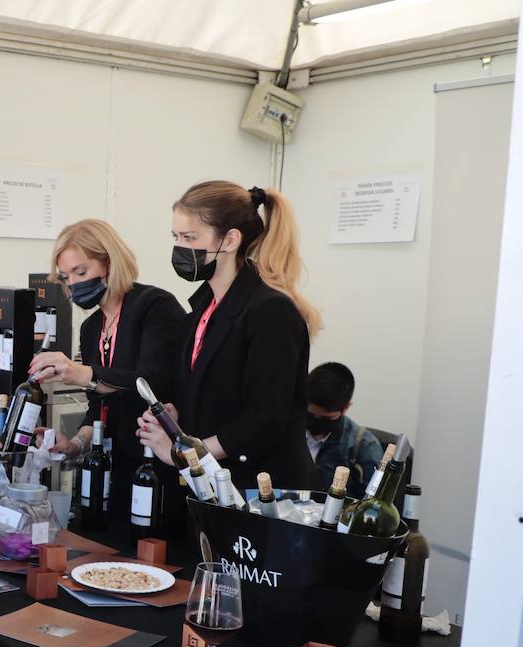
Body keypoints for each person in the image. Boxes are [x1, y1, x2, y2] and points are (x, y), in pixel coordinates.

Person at [139, 181, 322, 490]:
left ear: (230, 240)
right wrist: (176, 415)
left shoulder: (271, 312)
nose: (180, 246)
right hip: (213, 486)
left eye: (190, 237)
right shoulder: (201, 310)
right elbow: (214, 391)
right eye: (176, 237)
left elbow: (265, 418)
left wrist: (187, 453)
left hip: (261, 491)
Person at [28, 219, 185, 493]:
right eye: (66, 278)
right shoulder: (91, 328)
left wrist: (82, 373)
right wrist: (75, 445)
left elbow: (151, 383)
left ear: (109, 263)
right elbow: (99, 408)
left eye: (80, 271)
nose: (73, 284)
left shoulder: (154, 306)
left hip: (157, 466)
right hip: (114, 467)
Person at [306, 361, 385, 498]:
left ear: (346, 407)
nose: (316, 422)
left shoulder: (365, 448)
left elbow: (373, 505)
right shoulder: (285, 433)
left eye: (326, 419)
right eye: (311, 415)